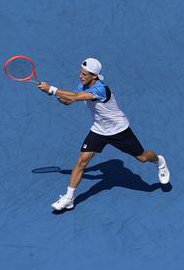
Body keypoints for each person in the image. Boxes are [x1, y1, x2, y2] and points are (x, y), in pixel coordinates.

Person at [37, 58, 170, 211]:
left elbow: (74, 97)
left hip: (119, 130)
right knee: (82, 161)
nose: (80, 76)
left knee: (142, 157)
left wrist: (51, 89)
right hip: (99, 130)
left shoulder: (101, 89)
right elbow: (70, 100)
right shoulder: (83, 85)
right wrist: (56, 96)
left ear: (94, 76)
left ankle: (159, 161)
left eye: (84, 74)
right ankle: (69, 198)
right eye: (80, 73)